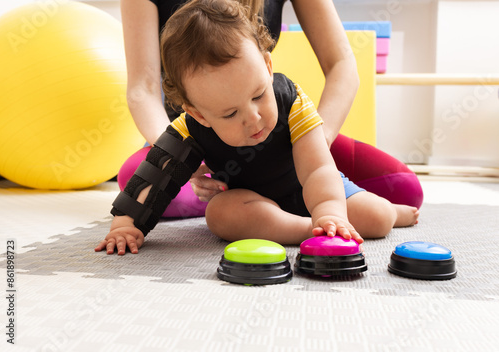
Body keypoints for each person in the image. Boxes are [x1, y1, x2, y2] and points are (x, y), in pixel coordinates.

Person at [95, 0, 418, 255]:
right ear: (200, 114)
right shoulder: (191, 126)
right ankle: (307, 230)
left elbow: (319, 171)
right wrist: (125, 225)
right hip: (251, 199)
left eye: (259, 95)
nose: (253, 118)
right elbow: (154, 176)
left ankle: (393, 212)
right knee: (220, 215)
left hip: (308, 185)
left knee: (377, 218)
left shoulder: (291, 100)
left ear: (267, 65)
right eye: (231, 113)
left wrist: (329, 211)